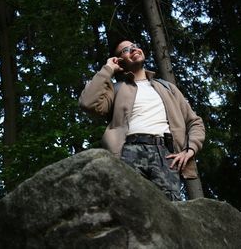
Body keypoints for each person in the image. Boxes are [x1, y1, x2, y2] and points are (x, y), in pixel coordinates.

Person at [79, 40, 205, 201]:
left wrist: (190, 149)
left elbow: (195, 122)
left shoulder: (167, 87)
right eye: (125, 50)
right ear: (120, 60)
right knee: (131, 207)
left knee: (168, 210)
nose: (133, 49)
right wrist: (108, 69)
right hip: (128, 152)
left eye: (134, 46)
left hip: (166, 155)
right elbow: (87, 102)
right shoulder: (116, 89)